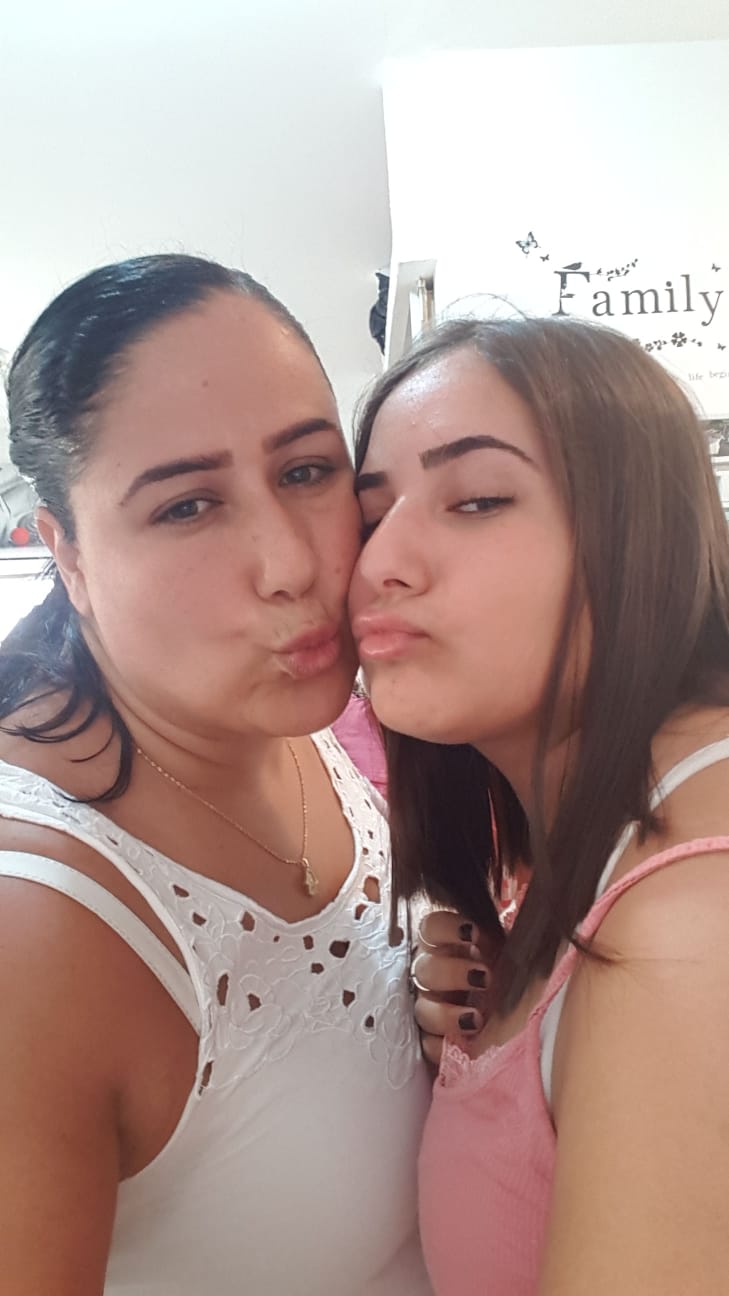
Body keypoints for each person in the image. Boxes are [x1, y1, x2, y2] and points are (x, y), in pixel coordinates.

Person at [0, 254, 433, 1295]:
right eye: (187, 507)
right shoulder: (34, 934)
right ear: (66, 552)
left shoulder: (315, 720)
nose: (292, 565)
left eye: (307, 471)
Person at [349, 315, 729, 1296]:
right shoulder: (580, 832)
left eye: (476, 500)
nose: (379, 564)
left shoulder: (689, 925)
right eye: (370, 515)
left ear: (641, 536)